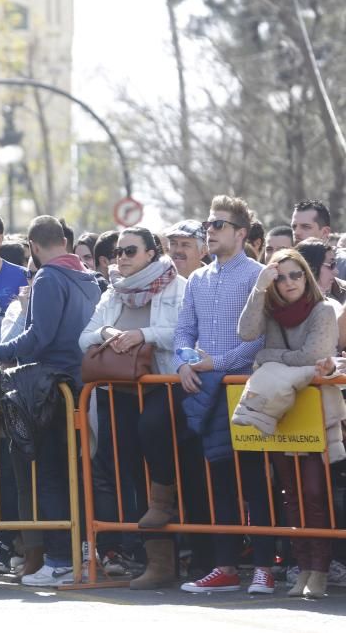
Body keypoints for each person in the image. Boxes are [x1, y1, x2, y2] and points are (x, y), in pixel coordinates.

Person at [0, 215, 101, 586]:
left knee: (50, 475)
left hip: (51, 388)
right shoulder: (89, 277)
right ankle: (81, 553)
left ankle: (60, 558)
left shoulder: (47, 277)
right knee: (75, 474)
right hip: (79, 385)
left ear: (33, 247)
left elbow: (38, 337)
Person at [174, 195, 272, 595]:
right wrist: (182, 363)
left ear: (241, 232)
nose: (209, 231)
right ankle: (225, 566)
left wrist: (215, 363)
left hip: (244, 389)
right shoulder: (198, 278)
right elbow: (183, 331)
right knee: (219, 481)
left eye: (218, 225)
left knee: (255, 480)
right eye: (208, 224)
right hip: (207, 391)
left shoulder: (258, 274)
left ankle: (265, 567)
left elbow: (261, 339)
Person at [78, 227, 186, 587]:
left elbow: (182, 333)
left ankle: (177, 555)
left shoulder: (177, 285)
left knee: (157, 453)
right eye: (118, 252)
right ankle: (154, 562)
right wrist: (108, 333)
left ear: (151, 253)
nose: (121, 257)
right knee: (129, 472)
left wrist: (143, 335)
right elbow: (84, 338)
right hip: (118, 391)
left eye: (130, 251)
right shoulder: (113, 293)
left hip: (163, 385)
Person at [240, 249, 345, 599]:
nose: (288, 283)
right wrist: (258, 289)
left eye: (295, 275)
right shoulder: (271, 312)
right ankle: (302, 568)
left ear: (307, 276)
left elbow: (313, 355)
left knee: (316, 493)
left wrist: (268, 357)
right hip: (281, 411)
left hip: (316, 413)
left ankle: (319, 570)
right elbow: (246, 333)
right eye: (280, 277)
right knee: (291, 496)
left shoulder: (325, 309)